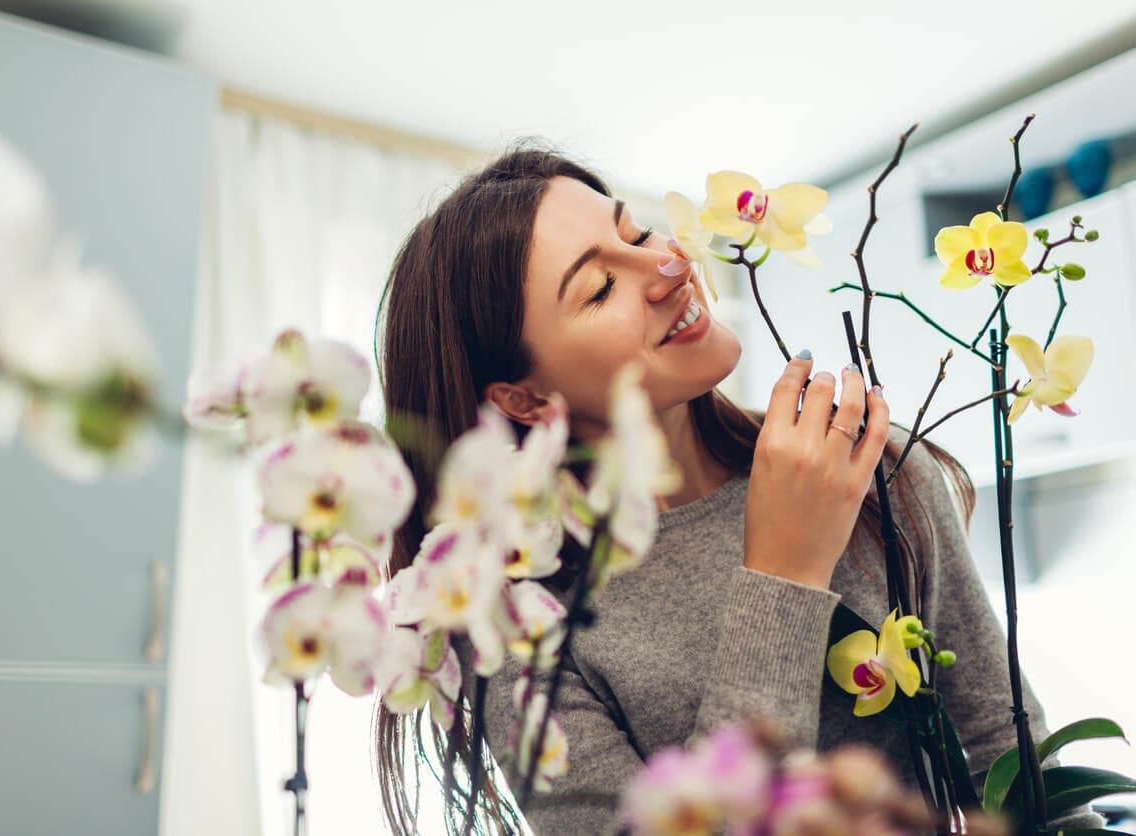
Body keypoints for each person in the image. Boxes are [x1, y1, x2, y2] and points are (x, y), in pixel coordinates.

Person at [371, 146, 1099, 835]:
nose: (665, 265)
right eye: (599, 286)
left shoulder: (863, 466)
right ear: (524, 399)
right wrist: (784, 570)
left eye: (638, 230)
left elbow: (1019, 768)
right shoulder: (518, 632)